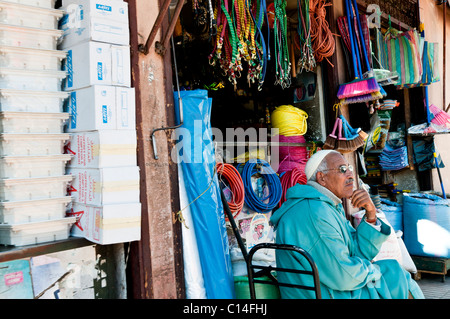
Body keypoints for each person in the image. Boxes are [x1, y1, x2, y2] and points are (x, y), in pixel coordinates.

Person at [270, 150, 424, 299]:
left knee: (394, 273)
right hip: (325, 292)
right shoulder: (315, 212)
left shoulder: (328, 206)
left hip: (329, 288)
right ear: (321, 178)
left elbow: (355, 252)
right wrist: (374, 271)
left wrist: (370, 214)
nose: (350, 174)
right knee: (396, 277)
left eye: (349, 168)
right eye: (342, 169)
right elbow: (343, 275)